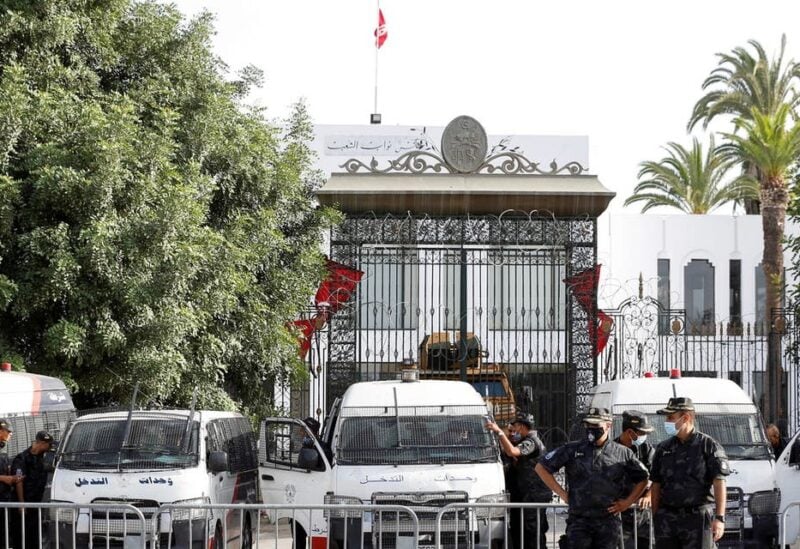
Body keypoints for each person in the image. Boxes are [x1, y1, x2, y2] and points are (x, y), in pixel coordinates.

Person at [535, 407, 649, 549]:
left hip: (608, 523)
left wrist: (627, 503)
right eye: (588, 424)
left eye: (596, 425)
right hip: (579, 521)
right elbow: (541, 467)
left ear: (608, 425)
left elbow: (643, 478)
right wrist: (563, 495)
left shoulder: (622, 452)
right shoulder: (572, 449)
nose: (591, 428)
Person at [650, 397, 730, 549]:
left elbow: (719, 482)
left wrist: (719, 518)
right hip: (667, 519)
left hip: (696, 519)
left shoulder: (708, 445)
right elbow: (656, 484)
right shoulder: (663, 448)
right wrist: (656, 516)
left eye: (670, 417)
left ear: (685, 417)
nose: (666, 421)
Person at [487, 414, 550, 549]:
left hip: (534, 497)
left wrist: (499, 432)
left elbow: (512, 451)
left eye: (514, 427)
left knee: (533, 534)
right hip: (527, 496)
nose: (513, 431)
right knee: (522, 532)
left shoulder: (531, 442)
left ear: (521, 426)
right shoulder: (526, 440)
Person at [615, 410, 656, 549]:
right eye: (642, 433)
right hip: (620, 514)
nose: (644, 437)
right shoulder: (611, 450)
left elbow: (656, 476)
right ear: (629, 432)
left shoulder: (647, 450)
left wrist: (649, 495)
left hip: (643, 514)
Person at [13, 431, 54, 549]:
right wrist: (21, 504)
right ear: (41, 443)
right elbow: (18, 482)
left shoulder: (41, 458)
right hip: (24, 505)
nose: (49, 448)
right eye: (48, 445)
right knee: (22, 538)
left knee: (34, 538)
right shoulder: (22, 458)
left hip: (35, 505)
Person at [0, 419, 23, 549]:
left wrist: (13, 477)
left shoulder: (3, 450)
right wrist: (5, 479)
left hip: (4, 499)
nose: (11, 434)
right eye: (8, 431)